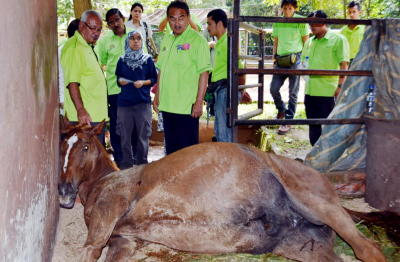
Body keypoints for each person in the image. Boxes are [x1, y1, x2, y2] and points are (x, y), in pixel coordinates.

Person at [153, 0, 211, 155]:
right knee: (171, 152)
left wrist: (199, 102)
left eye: (181, 18)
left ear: (188, 18)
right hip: (167, 105)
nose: (177, 23)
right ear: (168, 20)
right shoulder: (167, 39)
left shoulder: (198, 40)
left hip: (187, 108)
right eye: (173, 18)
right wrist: (157, 95)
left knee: (187, 154)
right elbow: (161, 70)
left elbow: (204, 73)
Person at [302, 10, 349, 146]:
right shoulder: (309, 41)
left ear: (324, 22)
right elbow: (304, 62)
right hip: (310, 91)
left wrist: (340, 86)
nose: (312, 26)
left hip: (328, 91)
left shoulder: (338, 39)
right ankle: (314, 157)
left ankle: (329, 159)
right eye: (310, 23)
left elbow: (344, 64)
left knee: (330, 127)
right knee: (312, 124)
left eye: (315, 22)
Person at [61, 10, 108, 142]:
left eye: (99, 30)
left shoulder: (86, 46)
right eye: (93, 28)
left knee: (96, 160)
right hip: (85, 119)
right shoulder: (75, 47)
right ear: (81, 25)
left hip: (95, 117)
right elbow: (72, 83)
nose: (96, 33)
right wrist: (81, 110)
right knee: (86, 161)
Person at [115, 31, 157, 168]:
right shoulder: (121, 60)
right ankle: (126, 167)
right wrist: (121, 81)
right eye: (132, 39)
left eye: (139, 39)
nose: (136, 41)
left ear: (142, 41)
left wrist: (143, 83)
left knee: (142, 137)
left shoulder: (148, 60)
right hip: (124, 104)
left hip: (142, 104)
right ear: (128, 41)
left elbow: (153, 79)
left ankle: (142, 167)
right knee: (125, 137)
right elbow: (118, 79)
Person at [95, 8, 129, 166]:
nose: (115, 24)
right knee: (116, 127)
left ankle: (133, 159)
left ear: (123, 18)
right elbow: (98, 62)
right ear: (108, 25)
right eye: (111, 22)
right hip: (115, 92)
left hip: (134, 91)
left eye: (117, 20)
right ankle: (120, 161)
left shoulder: (135, 36)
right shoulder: (105, 41)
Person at [270, 0, 309, 135]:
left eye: (290, 8)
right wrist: (274, 56)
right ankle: (281, 109)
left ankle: (288, 119)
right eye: (285, 8)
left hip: (296, 58)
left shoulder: (300, 21)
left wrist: (304, 60)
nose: (287, 11)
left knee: (293, 92)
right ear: (281, 9)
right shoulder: (278, 21)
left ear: (295, 9)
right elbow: (276, 40)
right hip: (280, 59)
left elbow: (306, 40)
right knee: (273, 89)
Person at [206, 9, 244, 142]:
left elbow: (240, 67)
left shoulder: (229, 42)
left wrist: (239, 90)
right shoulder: (220, 43)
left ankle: (227, 160)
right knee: (220, 130)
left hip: (226, 90)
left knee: (223, 133)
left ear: (220, 24)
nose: (208, 27)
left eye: (210, 24)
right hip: (220, 90)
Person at [58, 18, 80, 115]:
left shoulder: (87, 49)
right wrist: (62, 98)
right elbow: (61, 74)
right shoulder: (63, 50)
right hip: (68, 99)